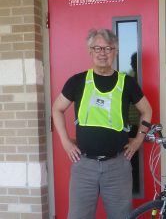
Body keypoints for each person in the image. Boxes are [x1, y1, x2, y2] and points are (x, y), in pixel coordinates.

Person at [52, 28, 152, 219]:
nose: (102, 53)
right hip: (84, 165)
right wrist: (65, 142)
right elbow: (57, 109)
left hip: (117, 166)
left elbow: (147, 110)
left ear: (115, 52)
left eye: (108, 48)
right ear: (90, 51)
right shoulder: (78, 81)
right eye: (97, 48)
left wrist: (138, 141)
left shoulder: (127, 83)